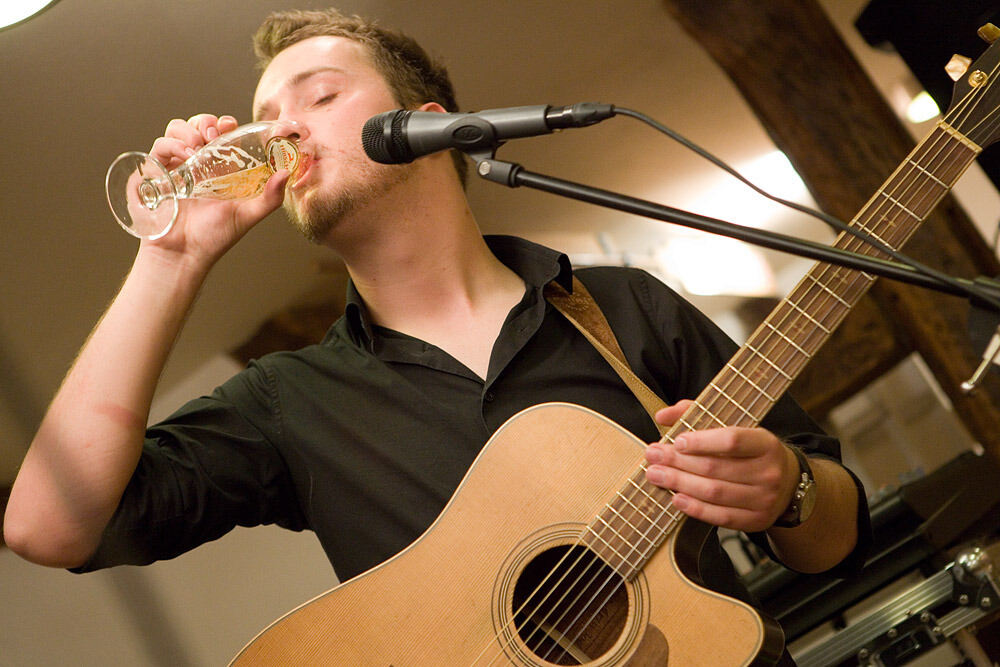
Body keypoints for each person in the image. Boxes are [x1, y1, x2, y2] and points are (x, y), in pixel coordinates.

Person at [5, 6, 869, 660]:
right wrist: (171, 258)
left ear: (424, 122)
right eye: (268, 112)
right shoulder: (286, 402)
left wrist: (789, 487)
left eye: (322, 95)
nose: (284, 129)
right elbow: (50, 527)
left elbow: (831, 542)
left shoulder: (628, 307)